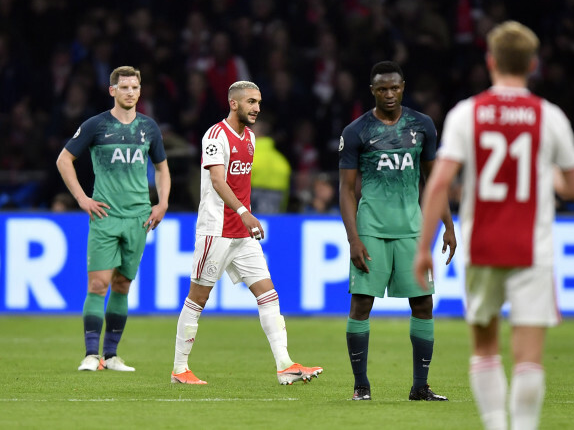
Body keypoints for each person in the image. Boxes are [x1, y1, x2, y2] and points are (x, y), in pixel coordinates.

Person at [414, 21, 574, 430]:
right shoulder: (550, 117)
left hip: (481, 245)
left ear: (490, 61)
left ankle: (495, 425)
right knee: (528, 358)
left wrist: (423, 249)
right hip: (532, 249)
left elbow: (439, 182)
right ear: (533, 65)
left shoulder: (466, 113)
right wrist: (553, 177)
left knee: (485, 349)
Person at [171, 81, 322, 385]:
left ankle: (285, 366)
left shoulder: (251, 138)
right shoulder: (215, 136)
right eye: (252, 102)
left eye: (259, 102)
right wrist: (244, 212)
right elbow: (217, 180)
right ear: (234, 103)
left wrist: (244, 217)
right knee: (197, 299)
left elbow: (240, 184)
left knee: (268, 294)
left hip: (242, 235)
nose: (257, 108)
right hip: (216, 231)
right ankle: (179, 369)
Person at [338, 61, 456, 401]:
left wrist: (448, 225)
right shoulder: (356, 132)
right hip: (371, 229)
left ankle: (420, 387)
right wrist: (353, 238)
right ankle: (361, 386)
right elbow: (346, 190)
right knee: (361, 304)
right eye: (382, 89)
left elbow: (433, 181)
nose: (389, 94)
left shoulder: (422, 126)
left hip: (411, 232)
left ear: (403, 87)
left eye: (394, 88)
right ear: (372, 91)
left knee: (423, 304)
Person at [56, 66, 171, 372]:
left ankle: (111, 355)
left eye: (135, 87)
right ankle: (91, 355)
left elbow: (161, 168)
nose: (130, 92)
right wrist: (82, 198)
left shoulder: (149, 128)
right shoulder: (96, 125)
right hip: (105, 214)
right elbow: (64, 159)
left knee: (122, 284)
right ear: (112, 91)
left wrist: (162, 203)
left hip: (138, 217)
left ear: (140, 90)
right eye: (124, 88)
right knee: (98, 282)